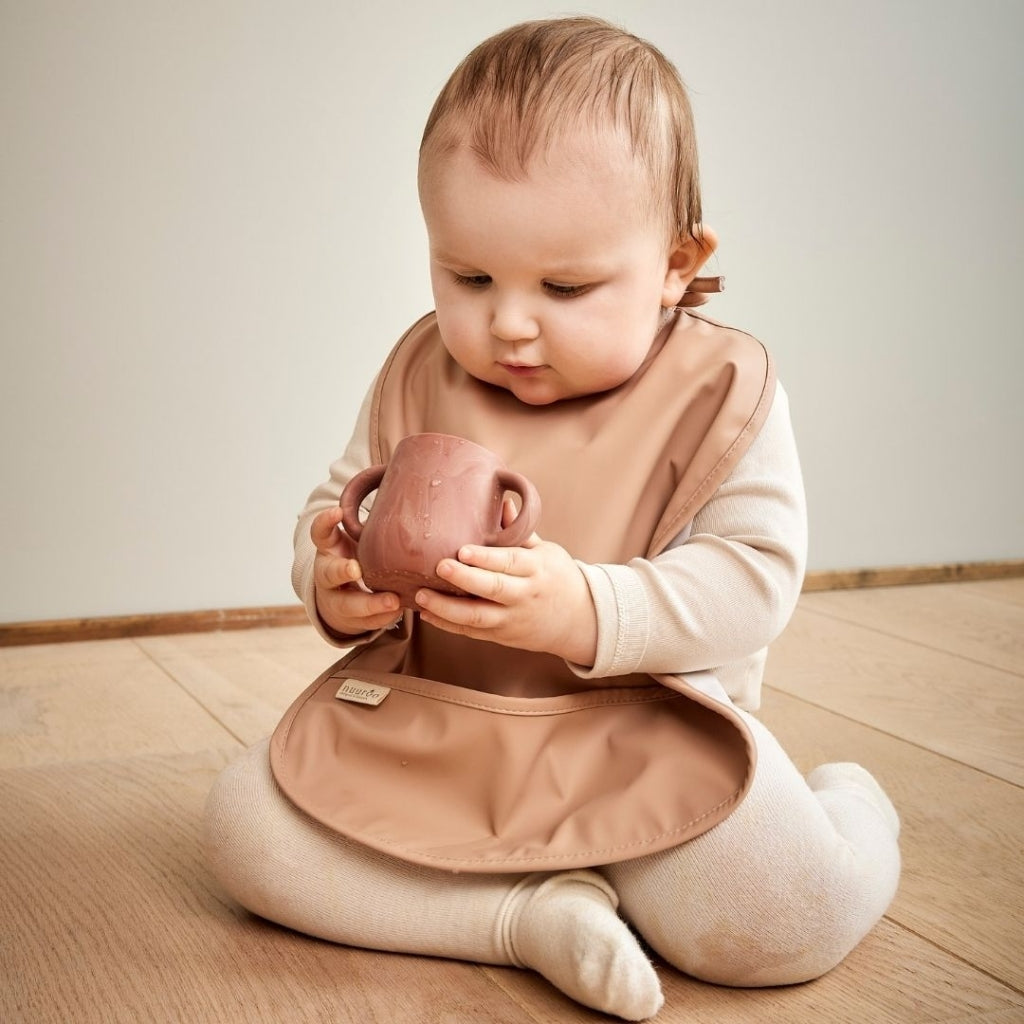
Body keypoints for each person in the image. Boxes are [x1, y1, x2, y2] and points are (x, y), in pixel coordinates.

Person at [203, 17, 901, 1021]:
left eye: (565, 286)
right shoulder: (421, 371)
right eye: (469, 277)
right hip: (441, 730)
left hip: (649, 739)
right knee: (245, 826)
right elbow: (338, 499)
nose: (509, 322)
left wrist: (584, 607)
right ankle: (524, 918)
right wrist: (333, 575)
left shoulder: (719, 389)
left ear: (675, 261)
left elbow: (754, 582)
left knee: (783, 925)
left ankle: (853, 810)